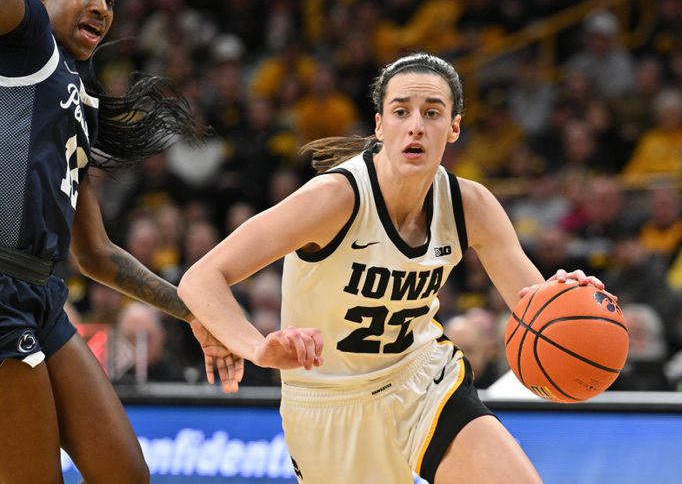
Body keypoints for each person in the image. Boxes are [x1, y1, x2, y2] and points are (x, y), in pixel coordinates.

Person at [179, 52, 611, 484]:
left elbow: (531, 307)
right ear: (380, 125)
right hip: (329, 402)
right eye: (401, 111)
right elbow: (201, 278)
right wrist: (256, 348)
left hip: (421, 378)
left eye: (432, 113)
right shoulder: (335, 199)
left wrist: (564, 299)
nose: (416, 125)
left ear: (454, 127)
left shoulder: (470, 205)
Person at [0, 0, 242, 482]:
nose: (101, 6)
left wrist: (193, 313)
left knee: (126, 473)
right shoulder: (27, 38)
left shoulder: (80, 91)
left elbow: (96, 255)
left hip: (44, 298)